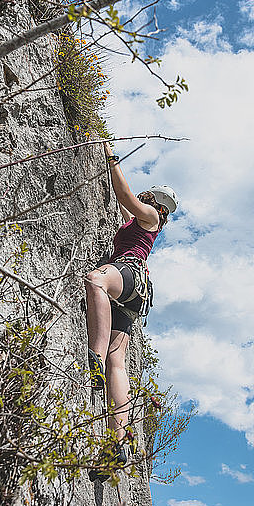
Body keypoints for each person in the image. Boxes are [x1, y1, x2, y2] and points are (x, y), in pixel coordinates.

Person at [84, 141, 178, 481]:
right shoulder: (138, 223)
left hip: (129, 273)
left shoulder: (152, 216)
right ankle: (117, 440)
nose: (144, 196)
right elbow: (120, 196)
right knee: (118, 362)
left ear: (156, 202)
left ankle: (92, 356)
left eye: (148, 195)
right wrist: (108, 168)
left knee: (96, 280)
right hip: (138, 293)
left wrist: (111, 155)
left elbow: (124, 195)